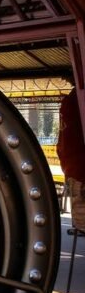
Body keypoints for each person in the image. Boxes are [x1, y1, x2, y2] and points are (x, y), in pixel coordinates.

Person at [58, 88, 85, 228]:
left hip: (73, 169)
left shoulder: (69, 102)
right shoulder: (75, 100)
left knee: (81, 221)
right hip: (79, 170)